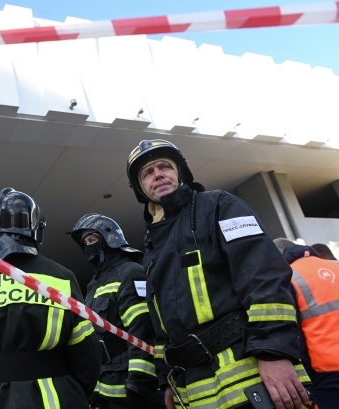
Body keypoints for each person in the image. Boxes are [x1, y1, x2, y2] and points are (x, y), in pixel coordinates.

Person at [125, 139, 310, 409]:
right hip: (196, 389)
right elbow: (160, 321)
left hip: (255, 374)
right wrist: (167, 378)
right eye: (147, 173)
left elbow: (264, 277)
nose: (158, 175)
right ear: (141, 189)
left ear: (180, 172)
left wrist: (273, 354)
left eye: (164, 166)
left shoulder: (219, 206)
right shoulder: (152, 246)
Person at [0, 187, 100, 409]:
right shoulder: (61, 277)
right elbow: (86, 356)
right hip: (58, 399)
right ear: (35, 229)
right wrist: (74, 392)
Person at [71, 214, 164, 409]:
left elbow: (143, 333)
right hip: (106, 391)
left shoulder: (131, 273)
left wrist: (138, 388)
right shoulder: (94, 284)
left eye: (93, 240)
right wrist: (93, 394)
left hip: (133, 394)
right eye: (85, 242)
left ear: (109, 239)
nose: (89, 246)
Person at [274, 238, 339, 409]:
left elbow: (295, 337)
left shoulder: (288, 279)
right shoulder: (336, 266)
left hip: (329, 374)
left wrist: (307, 382)